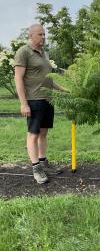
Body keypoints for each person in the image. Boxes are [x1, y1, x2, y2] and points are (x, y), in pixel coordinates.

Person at [14, 24, 68, 184]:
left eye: (44, 34)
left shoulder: (44, 53)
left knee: (43, 133)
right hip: (33, 100)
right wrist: (23, 104)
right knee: (33, 134)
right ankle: (36, 169)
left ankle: (43, 162)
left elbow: (48, 79)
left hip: (48, 99)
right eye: (40, 34)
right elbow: (18, 79)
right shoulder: (23, 52)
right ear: (31, 35)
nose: (43, 37)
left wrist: (63, 89)